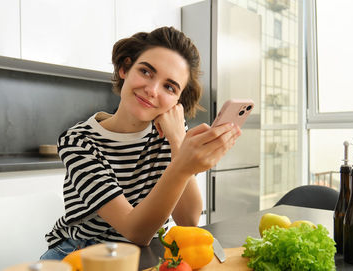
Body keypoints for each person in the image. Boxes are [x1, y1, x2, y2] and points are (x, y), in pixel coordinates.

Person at [40, 26, 242, 260]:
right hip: (83, 253)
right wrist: (183, 162)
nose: (152, 90)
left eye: (169, 86)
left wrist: (178, 141)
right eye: (146, 72)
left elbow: (189, 220)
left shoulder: (173, 133)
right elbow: (135, 231)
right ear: (125, 68)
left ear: (178, 100)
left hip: (148, 253)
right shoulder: (78, 142)